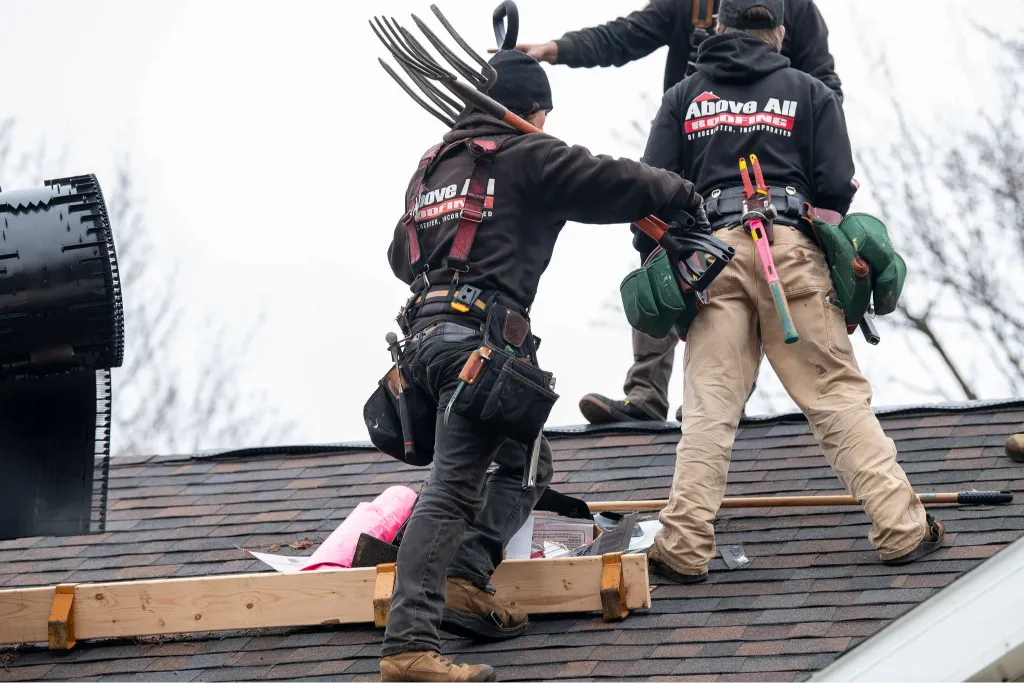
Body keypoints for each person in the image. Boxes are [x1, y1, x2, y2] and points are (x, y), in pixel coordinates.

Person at [380, 49, 708, 683]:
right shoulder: (527, 155)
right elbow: (611, 179)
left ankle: (462, 574)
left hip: (424, 343)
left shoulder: (432, 168)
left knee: (527, 461)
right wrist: (682, 194)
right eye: (544, 116)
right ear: (531, 111)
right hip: (476, 348)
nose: (545, 126)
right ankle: (407, 647)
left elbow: (401, 257)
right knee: (451, 488)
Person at [629, 0, 946, 585]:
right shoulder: (808, 91)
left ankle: (683, 545)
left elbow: (651, 191)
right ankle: (902, 528)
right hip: (791, 250)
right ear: (778, 31)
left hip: (712, 257)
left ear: (718, 26)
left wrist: (659, 257)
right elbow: (835, 186)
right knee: (834, 397)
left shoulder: (684, 96)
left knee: (710, 406)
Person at [510, 0, 843, 424]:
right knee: (661, 242)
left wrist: (813, 147)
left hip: (770, 168)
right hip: (696, 143)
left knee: (754, 267)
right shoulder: (689, 5)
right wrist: (555, 49)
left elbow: (825, 85)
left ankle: (722, 396)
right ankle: (646, 393)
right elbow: (626, 34)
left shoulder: (793, 7)